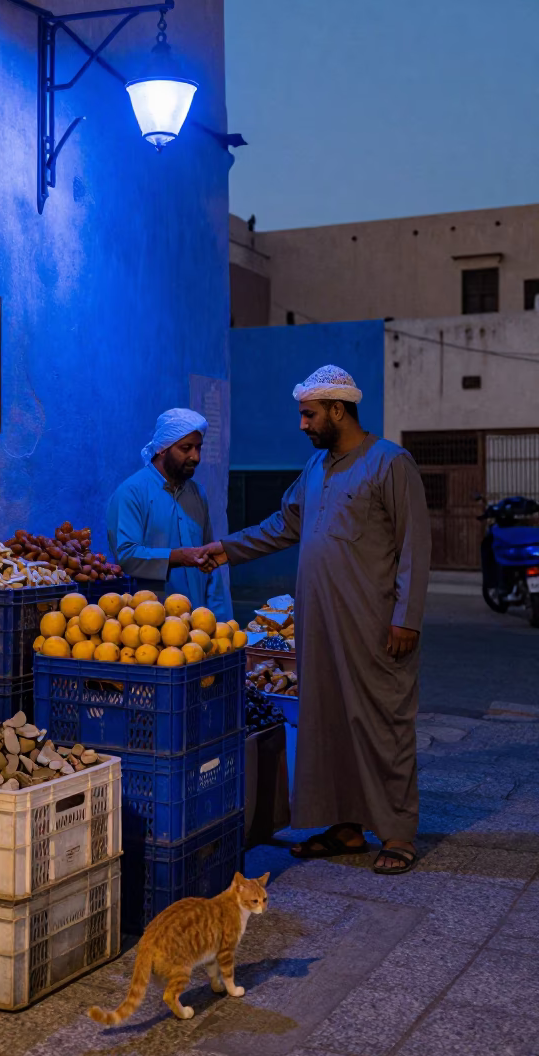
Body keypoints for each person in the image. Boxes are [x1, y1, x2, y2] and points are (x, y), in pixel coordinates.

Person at [196, 366, 431, 874]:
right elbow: (285, 525)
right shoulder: (316, 468)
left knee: (382, 723)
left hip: (374, 624)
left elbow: (415, 543)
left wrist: (406, 617)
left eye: (309, 414)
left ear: (337, 410)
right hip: (320, 623)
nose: (303, 425)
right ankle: (344, 826)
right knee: (327, 724)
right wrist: (225, 549)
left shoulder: (391, 463)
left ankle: (397, 833)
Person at [107, 408, 230, 616]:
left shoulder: (197, 493)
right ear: (162, 449)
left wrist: (220, 621)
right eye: (186, 448)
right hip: (151, 627)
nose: (196, 457)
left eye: (198, 448)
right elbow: (126, 556)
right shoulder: (131, 493)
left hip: (198, 626)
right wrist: (177, 557)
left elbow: (210, 562)